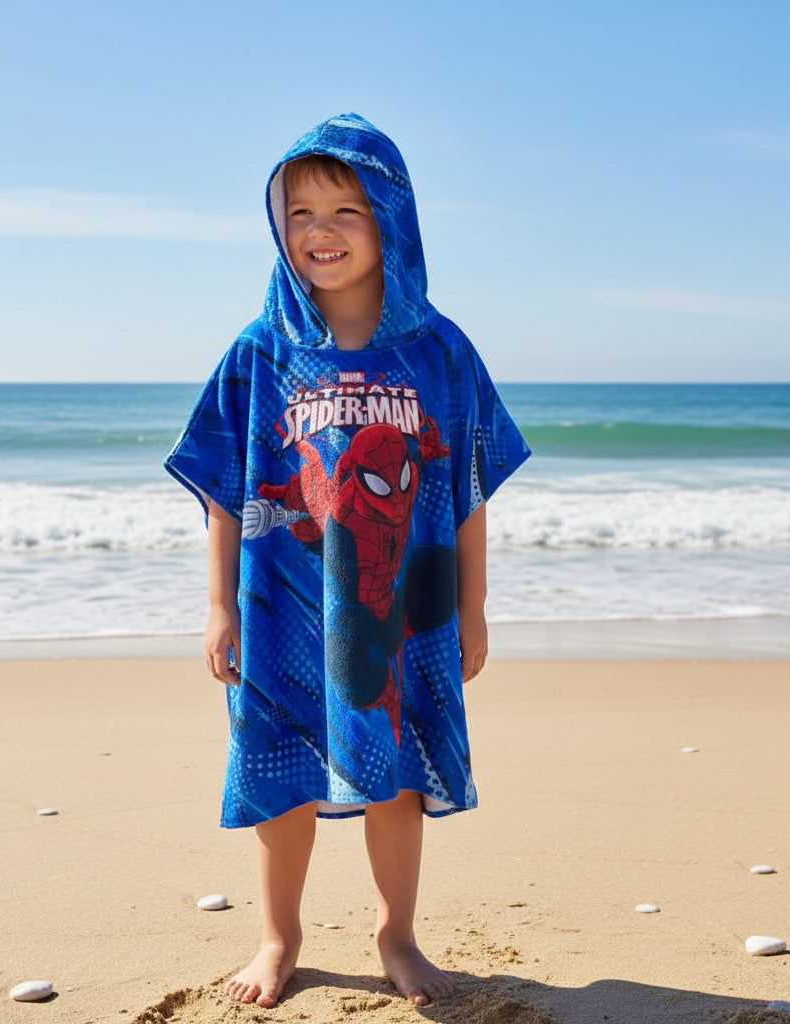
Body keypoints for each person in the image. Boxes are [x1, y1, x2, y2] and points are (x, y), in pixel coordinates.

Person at [164, 113, 529, 1009]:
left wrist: (473, 608)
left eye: (346, 210)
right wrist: (218, 608)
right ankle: (278, 937)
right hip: (283, 604)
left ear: (393, 220)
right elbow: (221, 485)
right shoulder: (261, 352)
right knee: (280, 773)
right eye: (299, 213)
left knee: (395, 771)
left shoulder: (439, 351)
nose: (319, 231)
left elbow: (471, 486)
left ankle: (395, 935)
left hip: (408, 608)